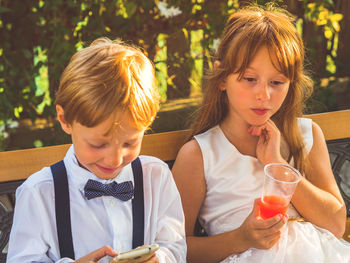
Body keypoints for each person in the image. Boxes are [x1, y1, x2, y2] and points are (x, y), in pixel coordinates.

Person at [172, 5, 350, 263]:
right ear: (222, 78)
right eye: (248, 79)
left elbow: (335, 224)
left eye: (277, 83)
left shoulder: (305, 134)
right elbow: (176, 249)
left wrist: (277, 165)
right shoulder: (199, 154)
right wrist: (241, 239)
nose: (264, 95)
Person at [7, 37, 186, 263]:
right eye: (97, 145)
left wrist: (160, 258)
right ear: (65, 119)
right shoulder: (39, 193)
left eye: (129, 143)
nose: (114, 159)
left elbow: (176, 246)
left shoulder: (156, 177)